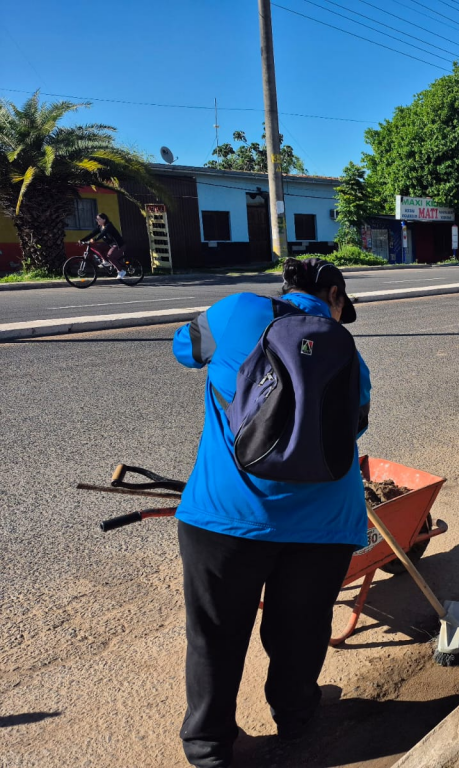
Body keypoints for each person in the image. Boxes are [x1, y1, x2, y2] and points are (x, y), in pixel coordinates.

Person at [171, 257, 371, 768]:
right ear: (334, 297)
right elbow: (356, 424)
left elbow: (183, 349)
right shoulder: (348, 351)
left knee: (215, 635)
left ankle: (209, 747)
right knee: (301, 628)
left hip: (226, 516)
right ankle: (296, 716)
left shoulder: (234, 311)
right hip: (324, 526)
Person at [79, 213, 127, 280]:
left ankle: (121, 271)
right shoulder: (100, 227)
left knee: (110, 256)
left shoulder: (108, 226)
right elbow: (92, 234)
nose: (97, 220)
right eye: (96, 219)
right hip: (110, 245)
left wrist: (95, 240)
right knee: (97, 247)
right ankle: (105, 261)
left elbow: (103, 233)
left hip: (119, 245)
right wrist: (82, 240)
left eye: (99, 219)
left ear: (104, 219)